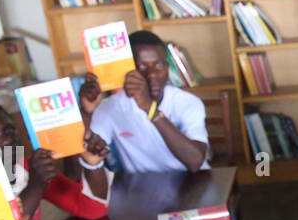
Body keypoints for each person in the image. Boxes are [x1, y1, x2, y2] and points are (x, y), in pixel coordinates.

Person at [79, 30, 210, 173]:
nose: (152, 74)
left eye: (159, 66)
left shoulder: (188, 102)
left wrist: (149, 108)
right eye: (141, 67)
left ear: (167, 68)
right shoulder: (111, 107)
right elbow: (85, 157)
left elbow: (195, 161)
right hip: (143, 187)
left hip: (193, 183)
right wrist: (86, 112)